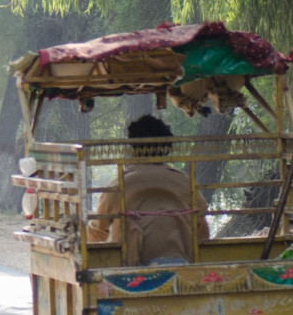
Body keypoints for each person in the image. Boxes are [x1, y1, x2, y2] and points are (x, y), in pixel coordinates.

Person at [87, 111, 207, 262]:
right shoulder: (185, 182)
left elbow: (97, 234)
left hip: (132, 274)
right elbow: (202, 231)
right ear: (167, 146)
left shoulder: (118, 186)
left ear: (132, 147)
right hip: (182, 266)